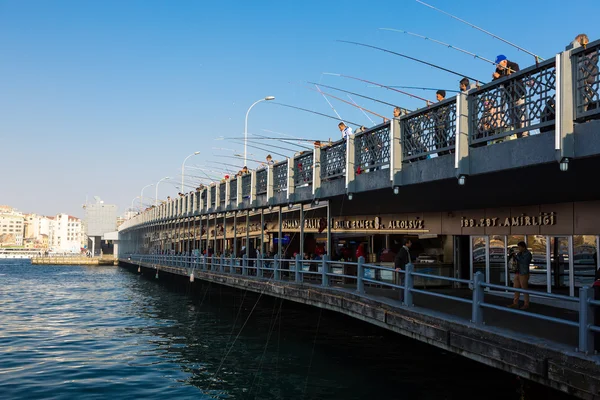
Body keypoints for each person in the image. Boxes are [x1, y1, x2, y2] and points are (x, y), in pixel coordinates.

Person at [493, 55, 527, 138]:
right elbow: (497, 81)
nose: (497, 66)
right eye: (496, 65)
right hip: (509, 96)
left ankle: (525, 134)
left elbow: (513, 77)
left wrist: (499, 77)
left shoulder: (514, 65)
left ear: (504, 62)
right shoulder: (498, 70)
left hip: (518, 94)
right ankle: (516, 134)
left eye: (498, 64)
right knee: (512, 116)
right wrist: (494, 77)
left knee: (522, 114)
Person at [572, 34, 599, 112]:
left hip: (585, 82)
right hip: (582, 82)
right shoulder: (585, 53)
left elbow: (583, 63)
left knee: (583, 104)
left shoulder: (591, 51)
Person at [508, 241, 533, 310]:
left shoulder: (528, 254)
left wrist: (517, 257)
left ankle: (526, 304)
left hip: (524, 273)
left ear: (523, 247)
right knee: (516, 288)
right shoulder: (519, 253)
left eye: (520, 247)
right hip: (518, 272)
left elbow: (524, 262)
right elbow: (516, 261)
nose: (519, 249)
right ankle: (515, 303)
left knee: (524, 289)